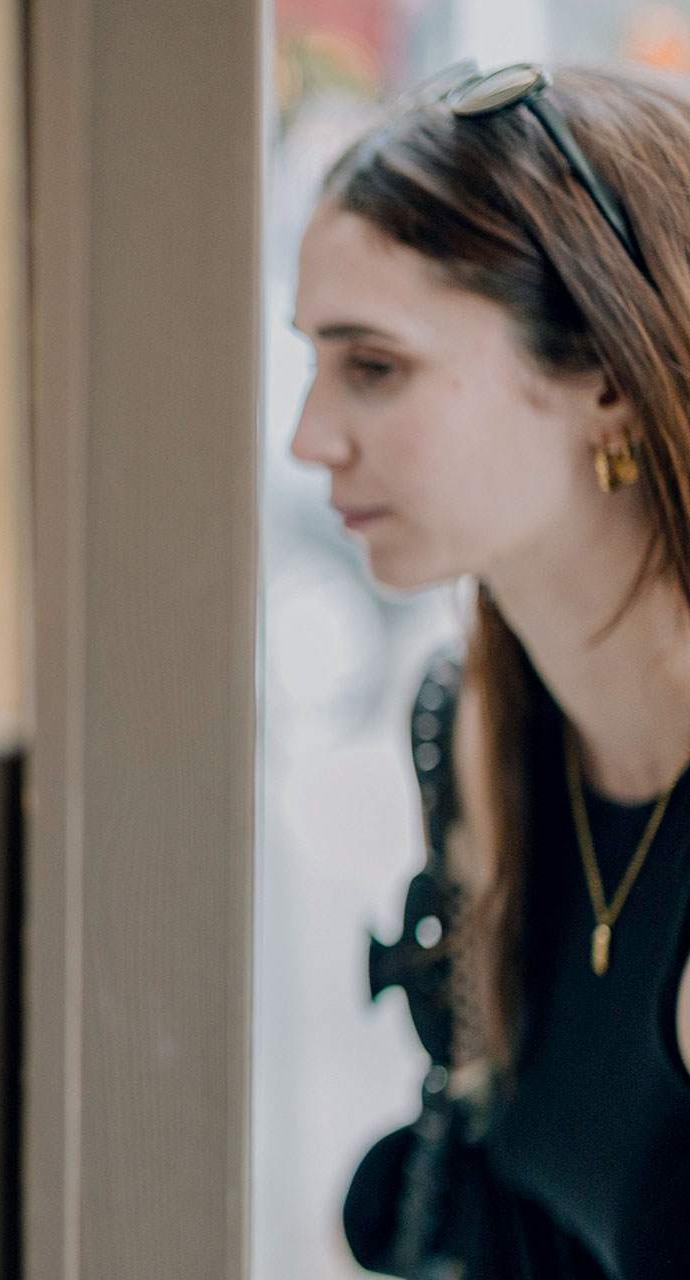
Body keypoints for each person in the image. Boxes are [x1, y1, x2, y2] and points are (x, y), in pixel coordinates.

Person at [289, 62, 690, 1280]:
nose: (309, 436)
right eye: (314, 362)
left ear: (606, 382)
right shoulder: (476, 738)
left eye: (375, 367)